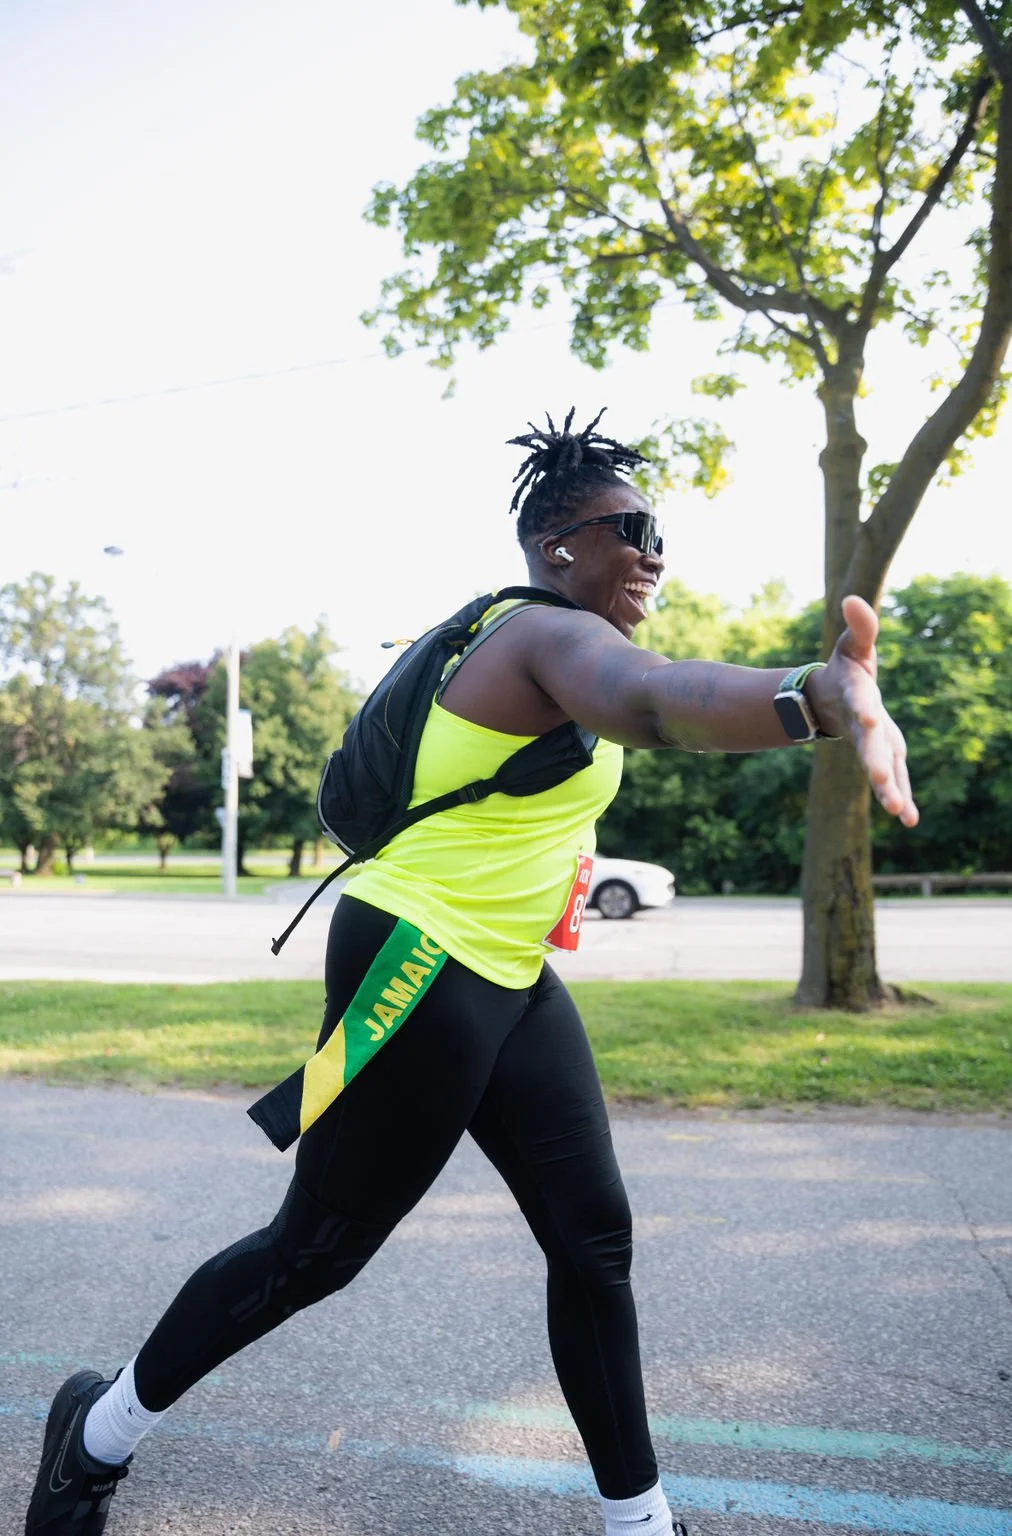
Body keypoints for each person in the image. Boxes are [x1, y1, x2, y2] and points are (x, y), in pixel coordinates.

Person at [25, 408, 917, 1536]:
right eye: (627, 529)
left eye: (660, 535)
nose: (649, 553)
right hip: (417, 965)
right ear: (558, 549)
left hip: (506, 977)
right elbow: (652, 698)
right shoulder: (541, 638)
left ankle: (640, 1527)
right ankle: (93, 1442)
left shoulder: (556, 653)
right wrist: (818, 697)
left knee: (592, 1239)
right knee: (314, 1254)